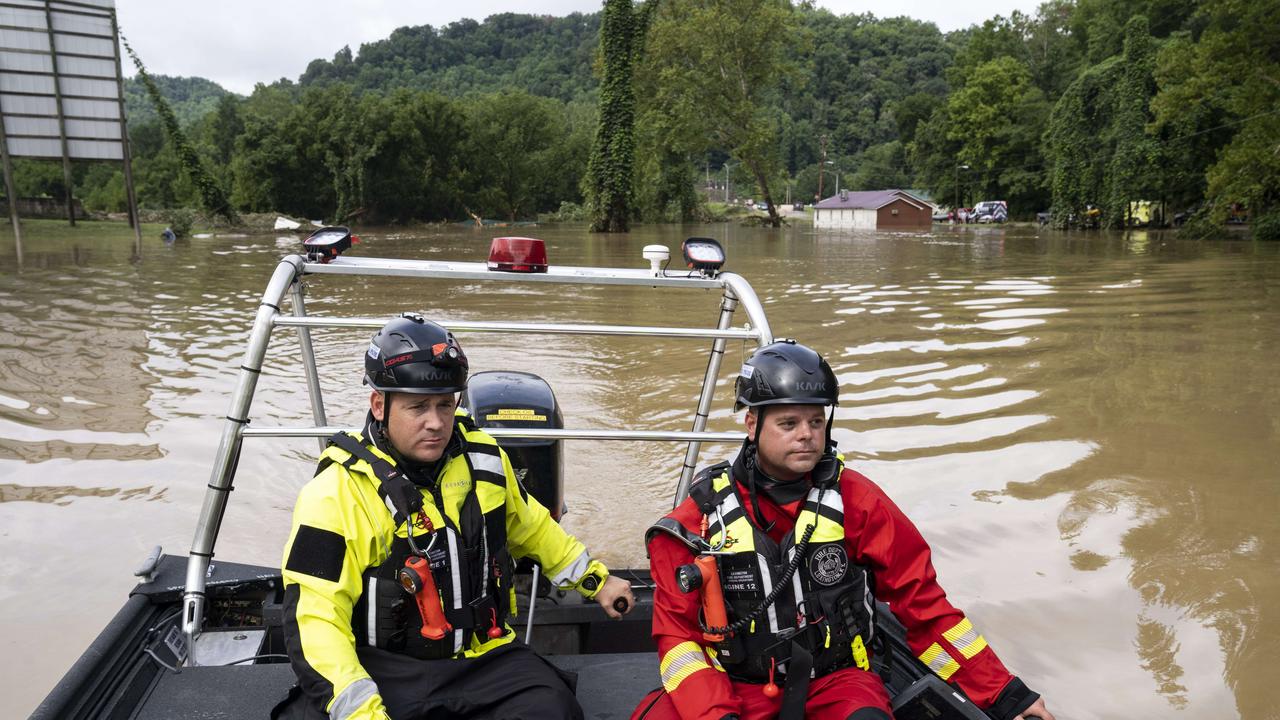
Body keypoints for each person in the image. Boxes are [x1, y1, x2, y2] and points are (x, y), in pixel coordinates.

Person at [633, 341, 1054, 720]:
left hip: (838, 683)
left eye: (817, 422)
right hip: (731, 686)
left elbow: (924, 607)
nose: (807, 436)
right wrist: (715, 714)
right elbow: (679, 641)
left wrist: (1005, 696)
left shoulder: (858, 501)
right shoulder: (697, 521)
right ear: (751, 425)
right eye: (789, 423)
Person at [275, 314, 634, 720]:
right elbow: (316, 618)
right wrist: (364, 713)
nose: (437, 422)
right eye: (418, 407)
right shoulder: (335, 493)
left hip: (484, 657)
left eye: (446, 404)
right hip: (383, 667)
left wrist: (597, 582)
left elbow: (533, 528)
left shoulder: (485, 461)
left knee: (555, 709)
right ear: (379, 404)